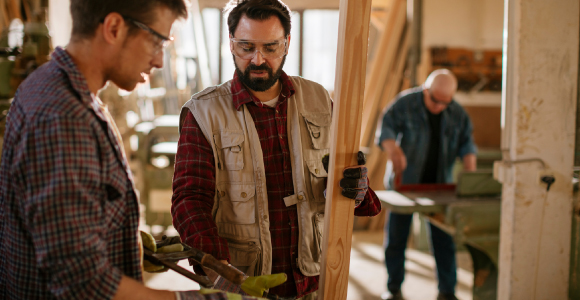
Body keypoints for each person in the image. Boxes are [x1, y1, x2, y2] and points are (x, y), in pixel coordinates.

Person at [0, 1, 258, 299]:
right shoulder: (64, 118)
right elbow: (81, 284)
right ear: (113, 28)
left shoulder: (51, 85)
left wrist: (120, 240)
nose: (160, 60)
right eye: (157, 41)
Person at [170, 0, 382, 299]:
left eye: (270, 47)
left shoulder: (319, 100)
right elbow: (190, 199)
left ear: (287, 44)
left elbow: (346, 184)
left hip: (313, 280)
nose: (258, 60)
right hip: (243, 283)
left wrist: (357, 190)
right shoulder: (204, 112)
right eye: (246, 47)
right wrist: (220, 271)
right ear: (230, 44)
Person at [377, 69, 477, 300]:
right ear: (426, 90)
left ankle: (447, 291)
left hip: (439, 187)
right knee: (396, 238)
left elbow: (467, 142)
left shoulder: (457, 112)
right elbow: (386, 127)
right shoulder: (405, 103)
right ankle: (393, 289)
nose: (439, 106)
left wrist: (469, 170)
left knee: (444, 241)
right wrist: (393, 149)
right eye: (434, 100)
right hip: (405, 186)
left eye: (445, 102)